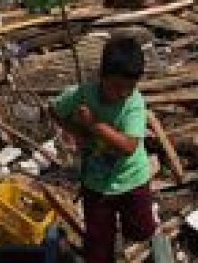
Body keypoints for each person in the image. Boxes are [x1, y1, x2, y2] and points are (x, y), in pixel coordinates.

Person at [51, 35, 156, 263]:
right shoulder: (83, 94)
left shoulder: (133, 103)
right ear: (102, 76)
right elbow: (56, 110)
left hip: (132, 178)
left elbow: (129, 146)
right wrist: (77, 131)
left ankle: (128, 245)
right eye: (116, 86)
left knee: (142, 231)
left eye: (129, 87)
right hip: (96, 184)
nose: (123, 93)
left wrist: (92, 125)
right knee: (98, 245)